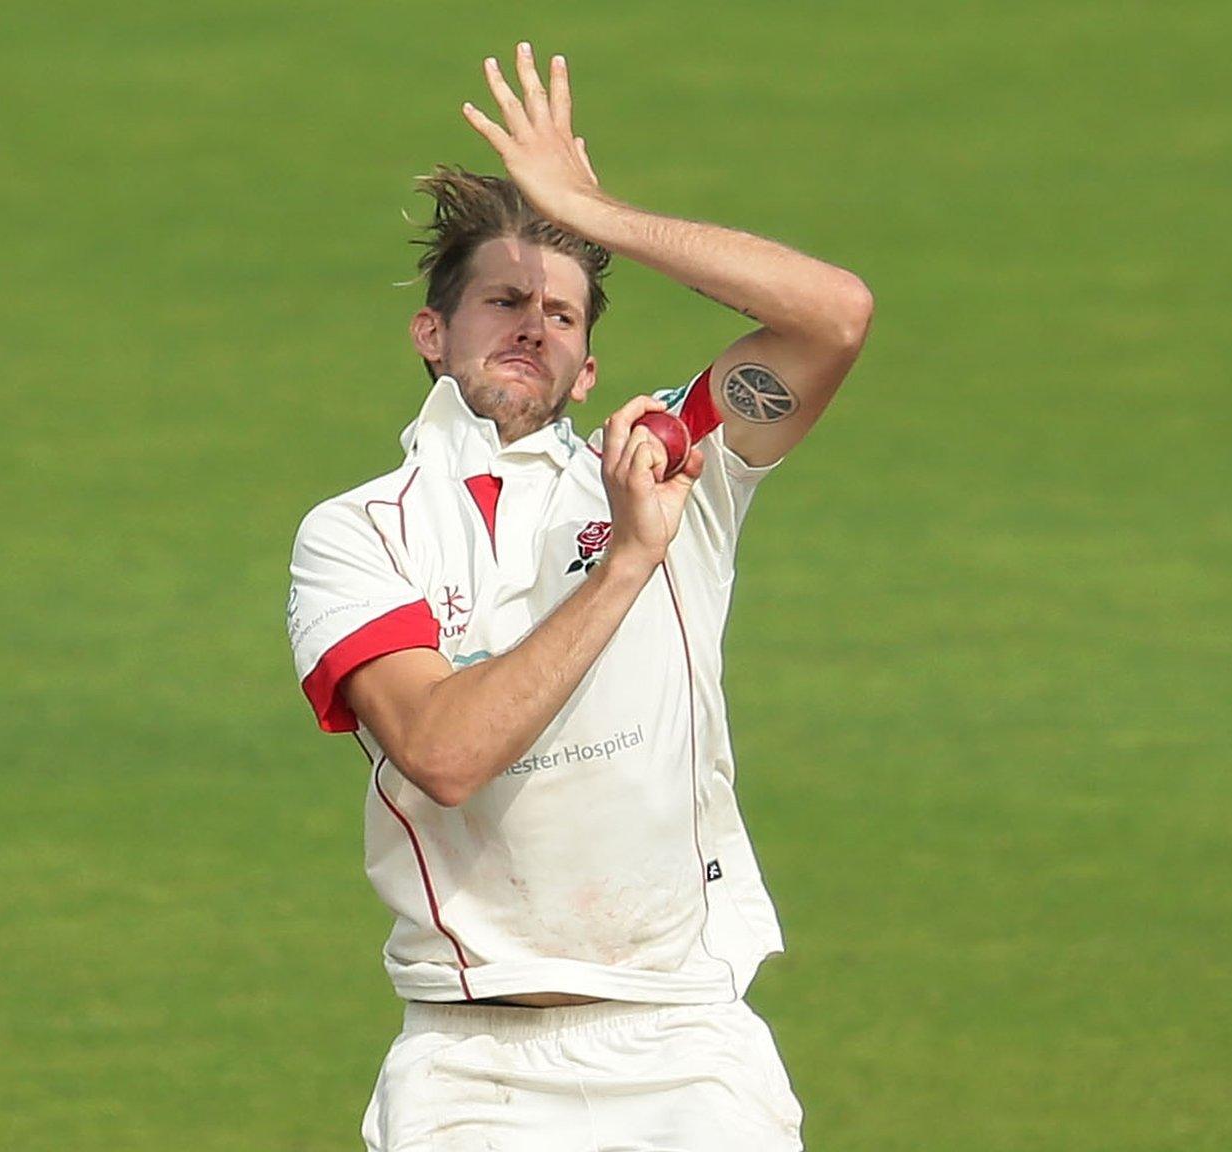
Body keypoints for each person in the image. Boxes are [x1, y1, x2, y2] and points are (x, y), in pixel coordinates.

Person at [285, 42, 871, 1151]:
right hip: (472, 1069)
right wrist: (624, 566)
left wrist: (594, 215)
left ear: (588, 367)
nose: (532, 326)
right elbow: (445, 756)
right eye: (503, 300)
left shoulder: (668, 457)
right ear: (430, 333)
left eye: (562, 313)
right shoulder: (356, 535)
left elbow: (832, 315)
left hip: (687, 1047)